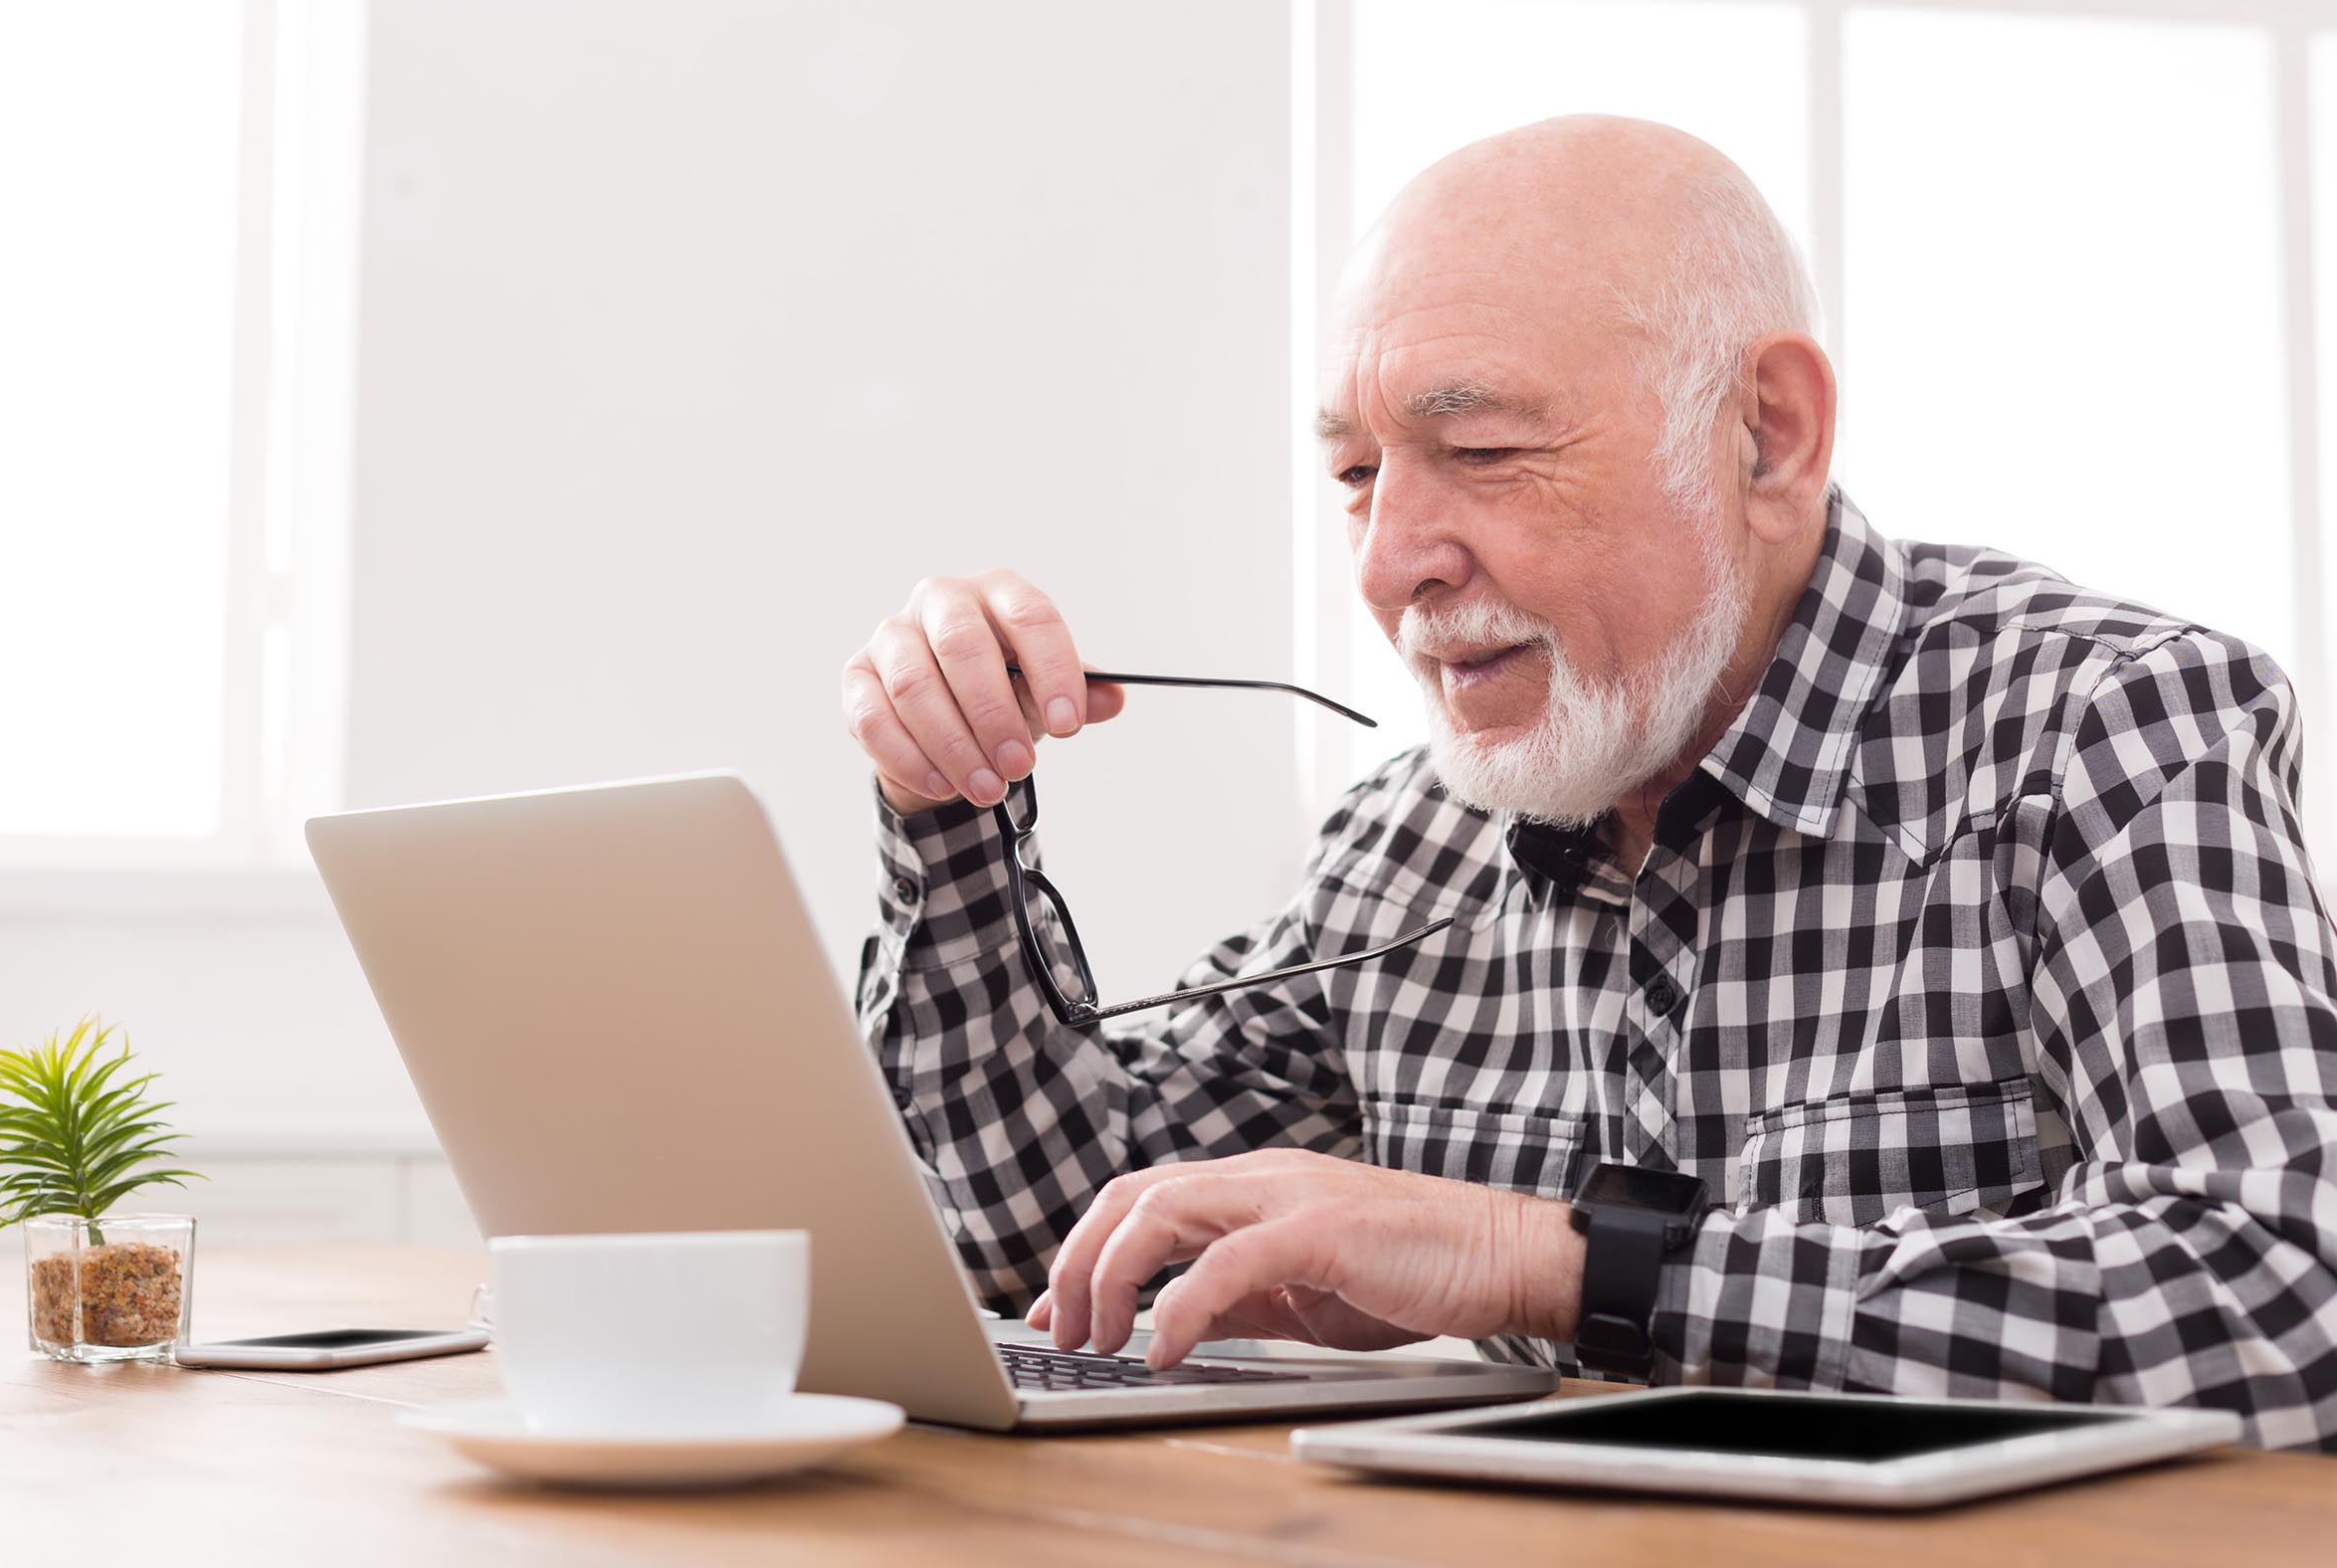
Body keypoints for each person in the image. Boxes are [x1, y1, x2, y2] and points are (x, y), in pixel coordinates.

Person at [838, 115, 2337, 1450]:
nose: (1385, 564)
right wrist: (951, 819)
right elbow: (1061, 1242)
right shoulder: (1410, 838)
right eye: (1358, 474)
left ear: (1770, 435)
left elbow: (2287, 1301)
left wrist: (1544, 1258)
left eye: (1480, 449)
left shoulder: (2106, 726)